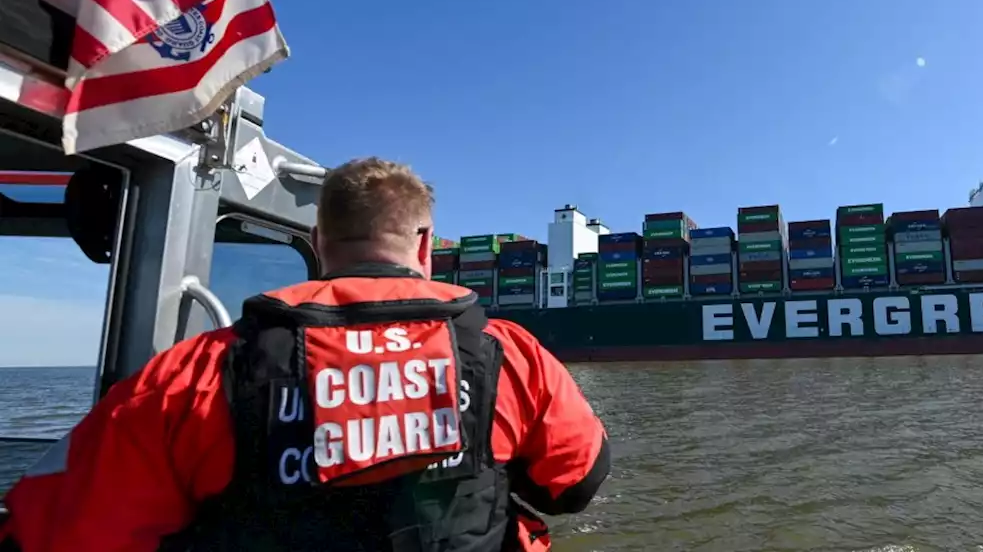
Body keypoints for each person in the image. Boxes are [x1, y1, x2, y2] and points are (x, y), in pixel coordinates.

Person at [0, 157, 610, 552]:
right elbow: (576, 485)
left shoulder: (196, 371)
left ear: (318, 242)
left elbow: (62, 530)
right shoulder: (512, 356)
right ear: (426, 244)